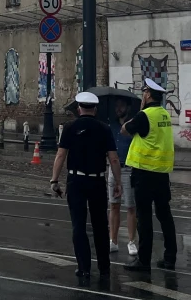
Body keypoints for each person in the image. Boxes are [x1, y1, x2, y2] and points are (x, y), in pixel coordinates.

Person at [49, 92, 122, 279]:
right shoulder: (105, 129)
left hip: (76, 181)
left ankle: (84, 267)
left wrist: (54, 180)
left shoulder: (69, 127)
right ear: (95, 109)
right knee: (100, 225)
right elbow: (113, 159)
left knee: (78, 225)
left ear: (79, 108)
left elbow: (60, 155)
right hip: (97, 180)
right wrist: (118, 182)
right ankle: (104, 267)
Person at [122, 78, 177, 272]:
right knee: (165, 215)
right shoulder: (164, 115)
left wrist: (137, 112)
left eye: (144, 92)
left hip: (144, 173)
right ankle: (170, 257)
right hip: (162, 174)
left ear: (147, 95)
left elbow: (125, 130)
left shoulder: (144, 115)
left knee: (144, 218)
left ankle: (143, 260)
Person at [108, 98, 138, 257]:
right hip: (114, 168)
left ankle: (132, 241)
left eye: (121, 105)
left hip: (129, 168)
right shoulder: (111, 125)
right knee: (113, 205)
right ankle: (113, 240)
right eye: (116, 105)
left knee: (131, 206)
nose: (118, 108)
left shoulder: (133, 125)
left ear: (127, 107)